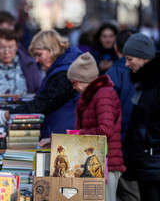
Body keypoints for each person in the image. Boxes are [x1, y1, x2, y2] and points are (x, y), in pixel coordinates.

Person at [0, 29, 82, 146]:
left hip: (65, 138)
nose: (36, 60)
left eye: (39, 54)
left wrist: (5, 115)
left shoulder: (64, 73)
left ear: (52, 50)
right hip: (62, 135)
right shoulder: (63, 68)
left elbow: (43, 103)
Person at [67, 52, 125, 201]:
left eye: (74, 82)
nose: (74, 87)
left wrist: (78, 135)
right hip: (97, 164)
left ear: (85, 80)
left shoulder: (103, 94)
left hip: (107, 164)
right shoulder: (93, 95)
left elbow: (106, 129)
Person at [123, 33, 160, 201]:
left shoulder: (154, 83)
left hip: (153, 159)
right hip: (147, 159)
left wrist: (149, 140)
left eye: (130, 59)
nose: (126, 63)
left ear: (143, 57)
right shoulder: (145, 82)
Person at [104, 29, 140, 201]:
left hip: (122, 146)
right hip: (140, 146)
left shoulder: (113, 75)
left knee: (125, 193)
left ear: (116, 47)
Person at [0, 28, 42, 97]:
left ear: (17, 47)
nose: (6, 52)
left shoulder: (29, 64)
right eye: (2, 47)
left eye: (10, 47)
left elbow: (39, 89)